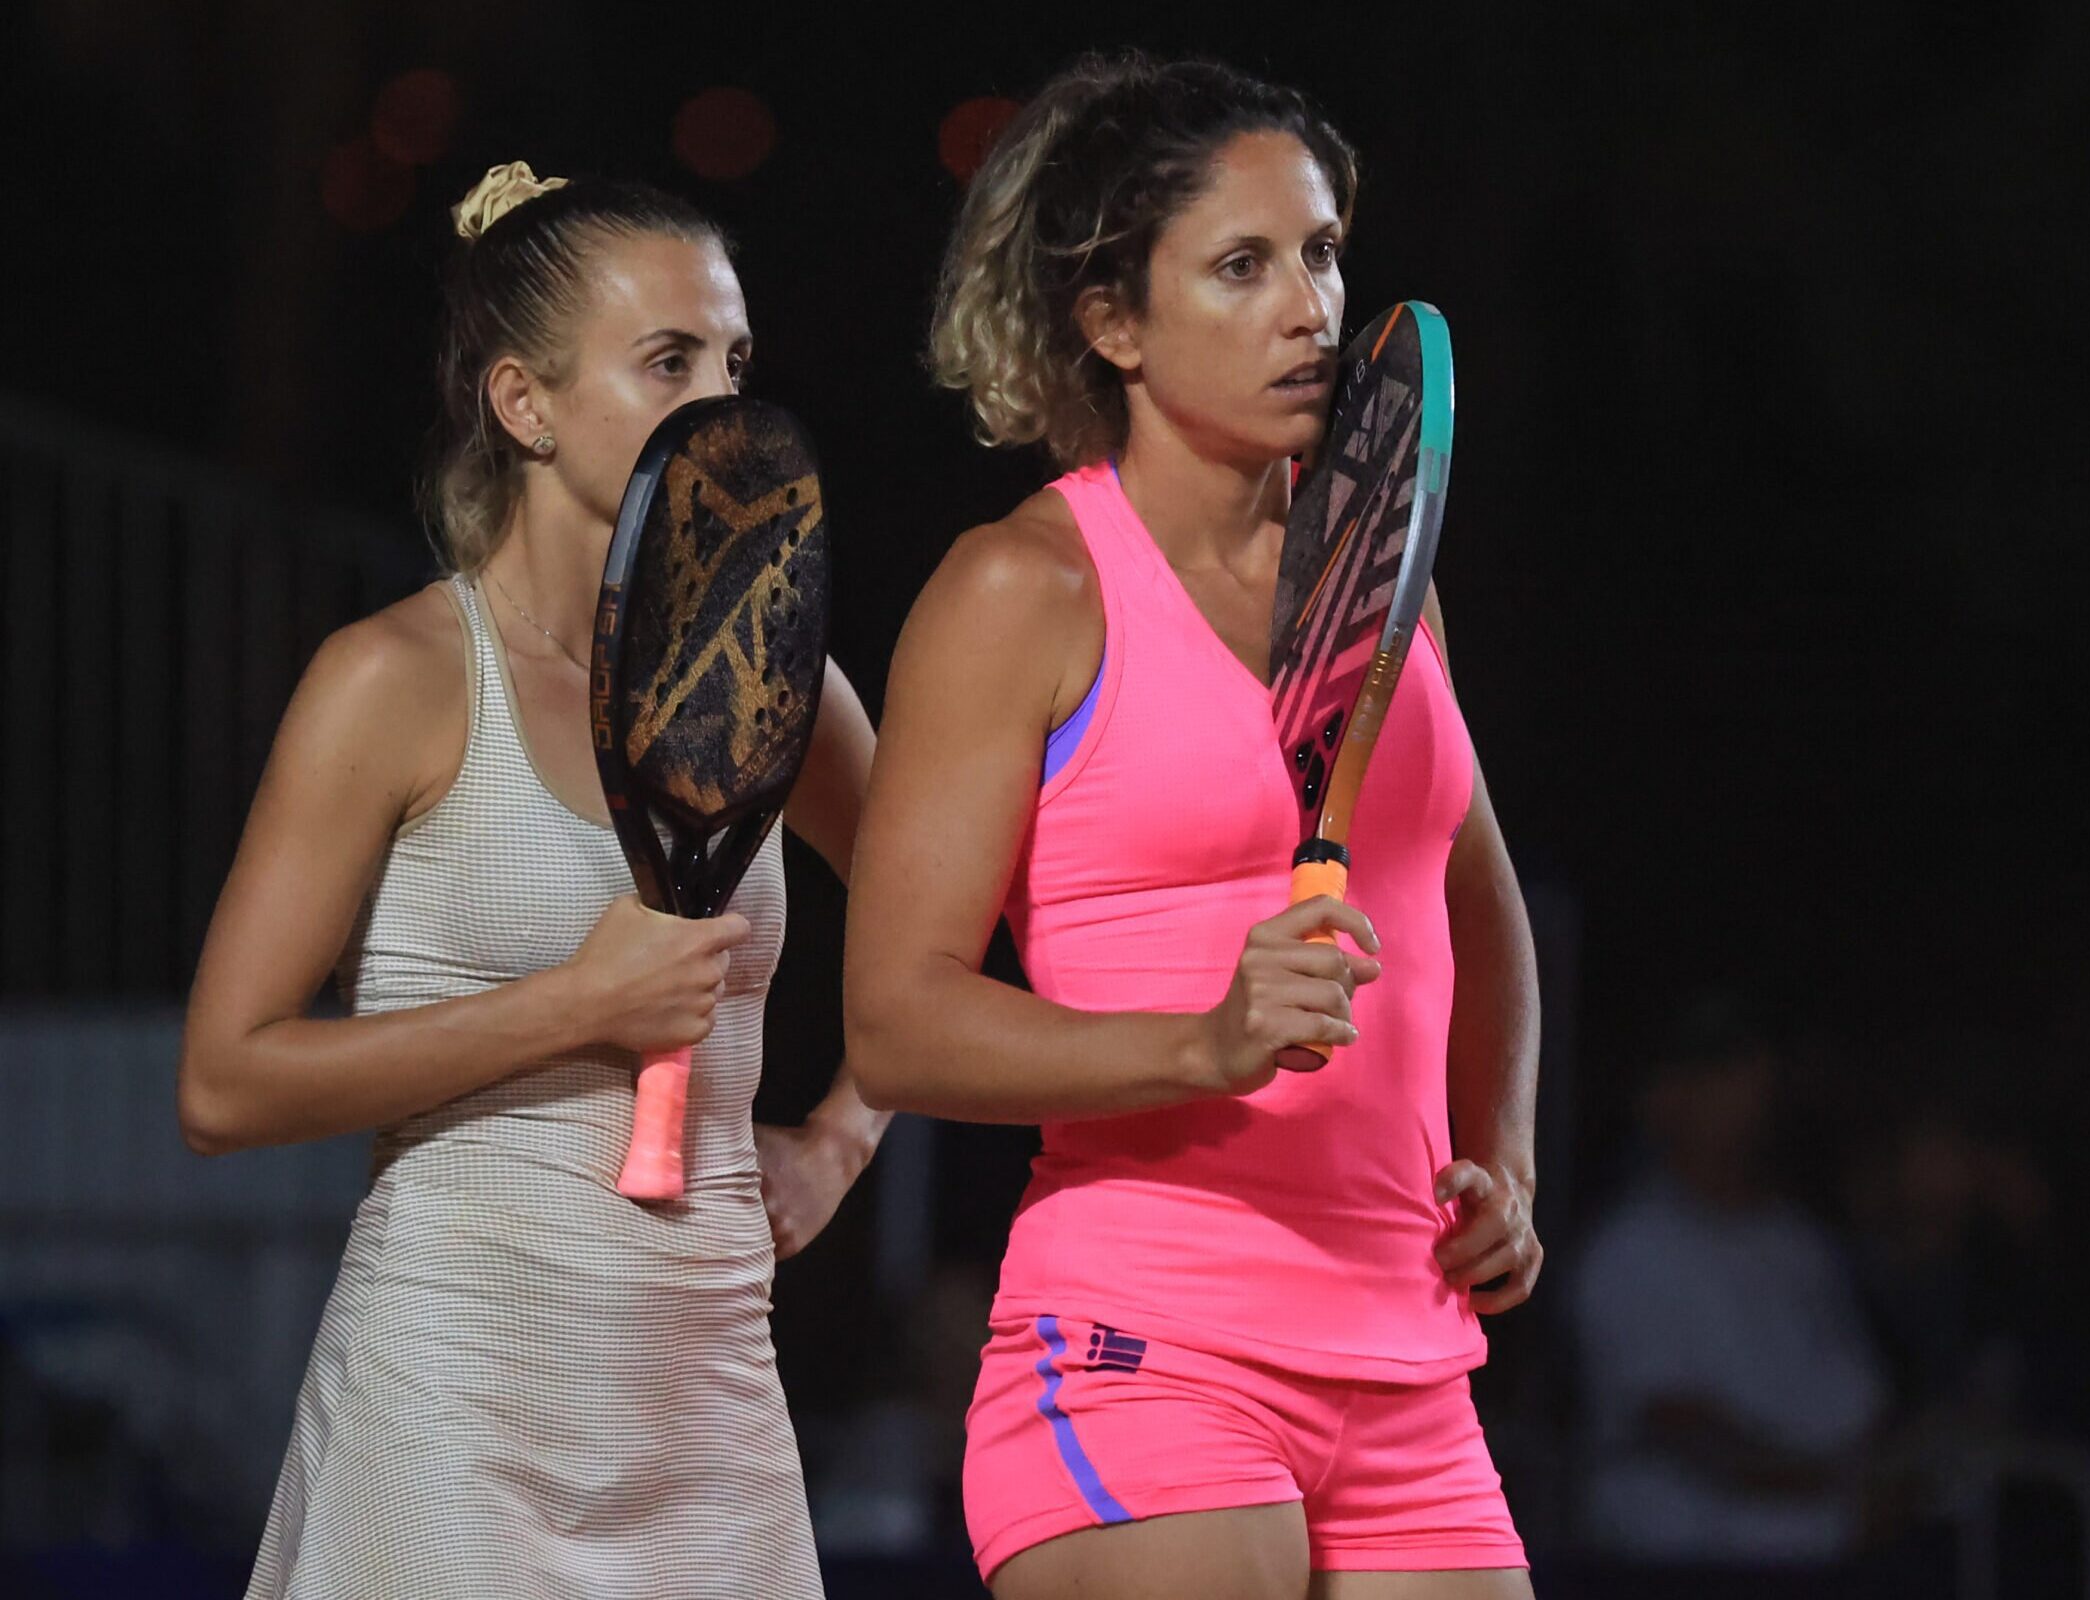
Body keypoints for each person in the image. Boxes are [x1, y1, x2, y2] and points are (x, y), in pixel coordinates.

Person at [843, 53, 1542, 1599]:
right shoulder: (1021, 592)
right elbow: (898, 1023)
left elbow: (1476, 906)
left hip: (1409, 1367)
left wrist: (1505, 1153)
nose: (1310, 306)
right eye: (1242, 267)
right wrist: (1203, 1039)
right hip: (1142, 1345)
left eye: (1320, 251)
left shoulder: (1380, 581)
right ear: (1113, 323)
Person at [177, 161, 886, 1600]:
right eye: (668, 359)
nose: (722, 399)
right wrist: (574, 1004)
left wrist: (845, 1134)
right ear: (526, 404)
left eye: (736, 359)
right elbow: (224, 1084)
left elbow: (958, 927)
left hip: (708, 1414)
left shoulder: (777, 681)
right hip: (452, 1410)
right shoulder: (396, 681)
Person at [1571, 996, 1885, 1568]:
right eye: (1720, 1075)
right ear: (1661, 1097)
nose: (1746, 1096)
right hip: (1679, 1571)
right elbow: (1681, 1427)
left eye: (1751, 1073)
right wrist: (1846, 1486)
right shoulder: (1628, 1252)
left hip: (1830, 1563)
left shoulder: (1800, 1242)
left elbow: (1857, 1403)